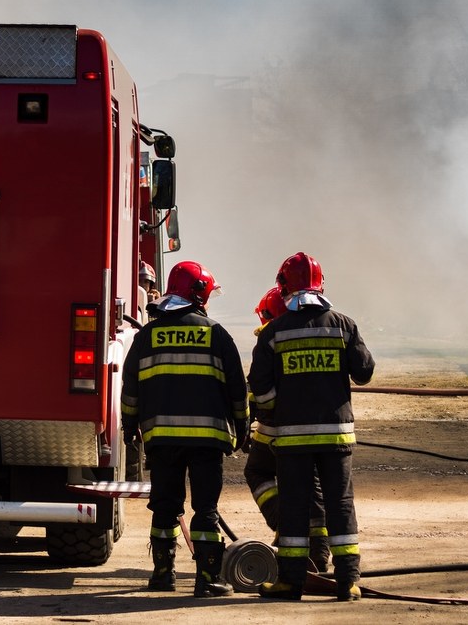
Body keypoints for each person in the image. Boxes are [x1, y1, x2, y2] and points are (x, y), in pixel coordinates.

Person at [248, 252, 375, 602]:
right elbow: (364, 372)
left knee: (294, 507)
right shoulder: (344, 326)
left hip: (292, 440)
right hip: (336, 436)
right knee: (340, 505)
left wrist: (278, 409)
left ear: (284, 287)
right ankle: (348, 582)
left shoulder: (274, 332)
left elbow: (259, 385)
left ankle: (291, 582)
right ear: (321, 286)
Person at [121, 260, 248, 596]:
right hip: (207, 441)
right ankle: (208, 579)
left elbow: (130, 388)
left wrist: (129, 427)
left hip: (161, 440)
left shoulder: (146, 336)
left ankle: (163, 575)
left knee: (165, 507)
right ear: (200, 294)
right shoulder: (217, 335)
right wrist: (243, 427)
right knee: (205, 509)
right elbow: (237, 390)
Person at [244, 286, 331, 572]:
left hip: (274, 433)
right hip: (318, 429)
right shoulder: (320, 332)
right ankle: (318, 553)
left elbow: (258, 390)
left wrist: (249, 417)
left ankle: (285, 525)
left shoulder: (271, 336)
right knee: (313, 486)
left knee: (257, 471)